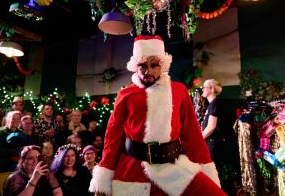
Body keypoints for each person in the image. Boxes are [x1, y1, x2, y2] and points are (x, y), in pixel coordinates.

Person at [89, 35, 226, 196]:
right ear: (135, 66)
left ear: (162, 65)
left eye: (154, 65)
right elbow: (112, 137)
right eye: (142, 65)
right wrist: (104, 175)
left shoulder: (179, 91)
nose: (148, 71)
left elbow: (192, 135)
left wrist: (205, 167)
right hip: (133, 168)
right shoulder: (125, 94)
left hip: (173, 167)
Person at [201, 79, 241, 196]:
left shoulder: (215, 104)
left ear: (212, 89)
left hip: (216, 145)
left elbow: (211, 127)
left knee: (217, 174)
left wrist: (199, 139)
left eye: (204, 87)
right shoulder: (212, 104)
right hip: (214, 144)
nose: (202, 89)